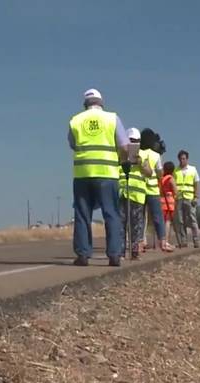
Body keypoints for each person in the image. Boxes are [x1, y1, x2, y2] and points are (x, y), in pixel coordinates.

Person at [67, 88, 130, 267]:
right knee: (111, 213)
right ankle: (114, 255)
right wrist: (123, 160)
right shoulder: (112, 118)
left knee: (82, 214)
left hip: (83, 173)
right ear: (101, 103)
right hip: (107, 173)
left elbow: (72, 144)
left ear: (85, 104)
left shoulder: (76, 121)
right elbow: (125, 146)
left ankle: (83, 254)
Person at [118, 127, 148, 260]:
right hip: (122, 194)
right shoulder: (120, 154)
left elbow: (149, 172)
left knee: (136, 226)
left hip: (137, 196)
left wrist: (140, 163)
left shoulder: (144, 155)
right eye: (131, 140)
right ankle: (120, 252)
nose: (133, 143)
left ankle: (135, 252)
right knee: (120, 224)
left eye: (136, 141)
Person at [139, 128, 168, 252]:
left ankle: (140, 241)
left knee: (140, 217)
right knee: (158, 217)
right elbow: (160, 173)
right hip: (152, 190)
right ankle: (163, 242)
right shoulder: (155, 155)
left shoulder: (138, 153)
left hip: (139, 189)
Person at [174, 150, 200, 248]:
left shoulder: (193, 169)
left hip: (190, 198)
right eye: (181, 159)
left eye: (184, 158)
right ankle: (183, 241)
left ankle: (196, 240)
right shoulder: (175, 171)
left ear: (187, 159)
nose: (182, 160)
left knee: (192, 220)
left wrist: (196, 197)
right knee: (180, 221)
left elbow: (197, 183)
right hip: (179, 198)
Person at [159, 161, 179, 250]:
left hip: (161, 202)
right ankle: (166, 242)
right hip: (169, 203)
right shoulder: (170, 178)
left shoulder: (161, 179)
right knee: (167, 222)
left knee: (162, 223)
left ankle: (162, 241)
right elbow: (176, 191)